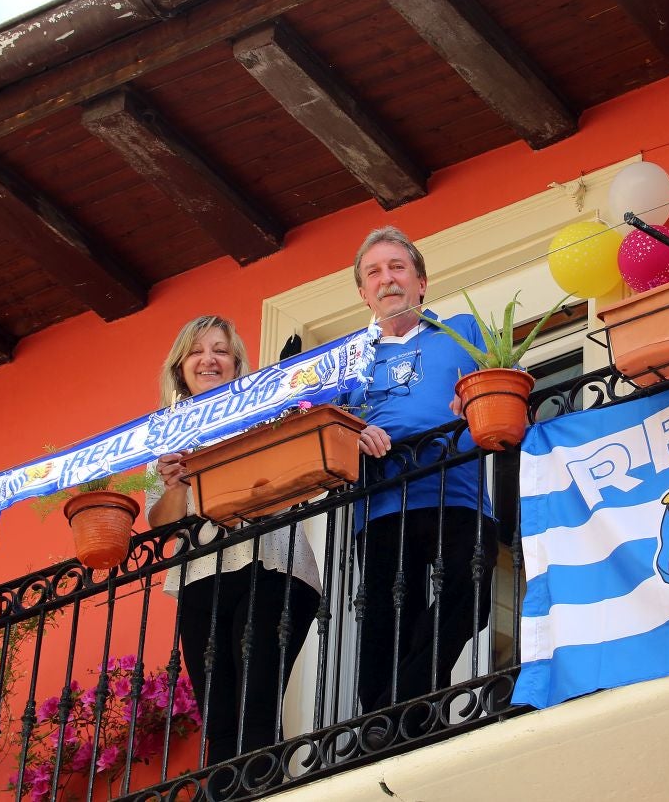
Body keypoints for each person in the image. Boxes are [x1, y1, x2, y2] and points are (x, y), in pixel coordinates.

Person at [145, 315, 322, 767]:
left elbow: (297, 475)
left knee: (256, 700)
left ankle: (263, 791)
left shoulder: (262, 411)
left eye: (221, 350)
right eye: (197, 351)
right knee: (220, 718)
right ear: (180, 367)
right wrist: (177, 487)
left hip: (272, 563)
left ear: (237, 362)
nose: (209, 359)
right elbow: (161, 526)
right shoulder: (164, 434)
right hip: (200, 577)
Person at [350, 226, 498, 718]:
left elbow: (505, 390)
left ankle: (391, 712)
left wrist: (480, 402)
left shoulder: (463, 331)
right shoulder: (346, 362)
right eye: (374, 272)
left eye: (397, 268)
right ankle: (397, 728)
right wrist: (350, 437)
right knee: (385, 623)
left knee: (471, 596)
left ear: (421, 282)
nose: (386, 280)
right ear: (362, 292)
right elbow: (319, 434)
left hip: (455, 490)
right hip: (380, 503)